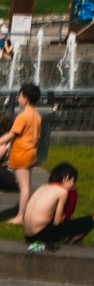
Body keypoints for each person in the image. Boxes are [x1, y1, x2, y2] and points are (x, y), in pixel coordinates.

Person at [23, 163, 94, 251]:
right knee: (91, 219)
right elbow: (57, 222)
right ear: (66, 179)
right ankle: (70, 243)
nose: (73, 185)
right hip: (42, 237)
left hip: (28, 237)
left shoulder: (42, 187)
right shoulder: (62, 192)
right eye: (73, 181)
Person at [0, 82, 42, 226]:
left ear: (26, 99)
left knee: (23, 187)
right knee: (27, 185)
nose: (18, 98)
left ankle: (20, 216)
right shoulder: (37, 115)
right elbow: (38, 136)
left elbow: (11, 135)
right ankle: (26, 213)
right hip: (31, 153)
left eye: (19, 95)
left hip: (21, 153)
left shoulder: (23, 116)